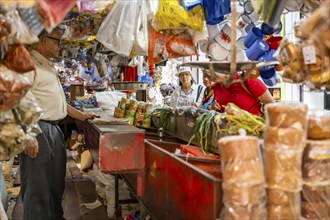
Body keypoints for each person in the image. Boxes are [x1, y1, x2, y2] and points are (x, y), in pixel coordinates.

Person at [23, 27, 95, 220]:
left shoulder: (46, 65)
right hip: (37, 129)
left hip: (53, 129)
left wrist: (80, 115)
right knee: (38, 186)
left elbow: (60, 99)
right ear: (43, 40)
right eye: (57, 41)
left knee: (56, 183)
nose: (60, 46)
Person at [209, 71, 274, 115]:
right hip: (228, 133)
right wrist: (213, 109)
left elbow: (272, 105)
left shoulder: (248, 80)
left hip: (253, 130)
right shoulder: (217, 86)